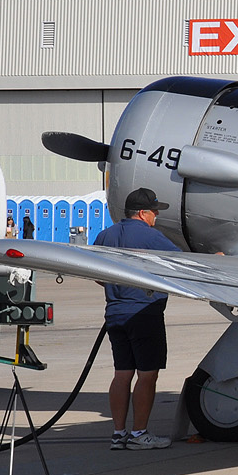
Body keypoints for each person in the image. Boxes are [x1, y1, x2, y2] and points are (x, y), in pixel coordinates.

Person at [92, 187, 180, 449]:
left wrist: (116, 288)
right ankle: (140, 434)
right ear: (142, 213)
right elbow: (183, 263)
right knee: (147, 375)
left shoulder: (105, 235)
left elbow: (95, 272)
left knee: (122, 373)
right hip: (144, 313)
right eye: (154, 212)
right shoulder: (151, 236)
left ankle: (119, 434)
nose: (156, 217)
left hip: (115, 313)